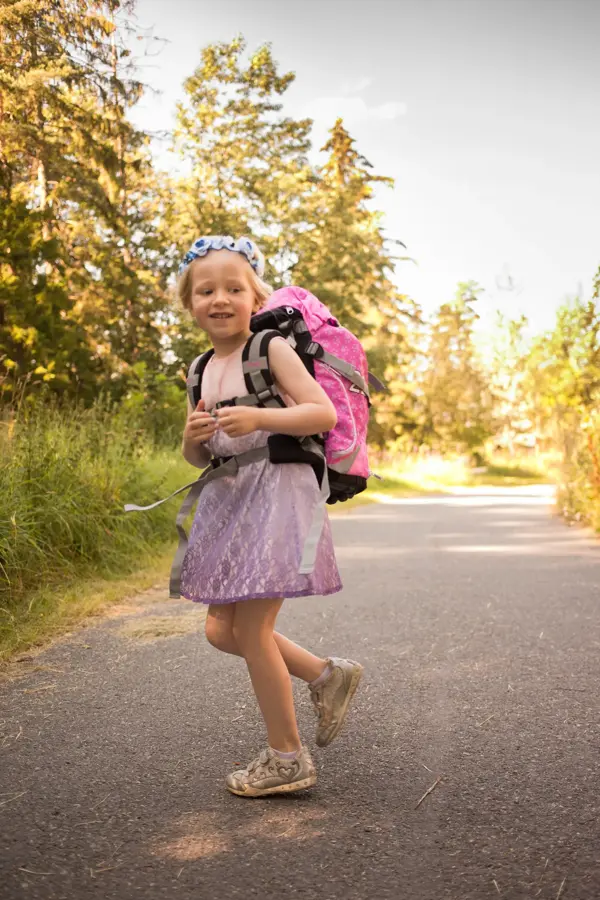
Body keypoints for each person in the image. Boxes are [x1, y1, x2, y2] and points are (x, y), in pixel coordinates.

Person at [176, 235, 363, 798]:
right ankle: (327, 675)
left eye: (234, 288)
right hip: (229, 501)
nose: (220, 298)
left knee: (253, 630)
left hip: (277, 493)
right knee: (220, 630)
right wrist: (192, 437)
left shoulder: (270, 348)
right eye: (206, 290)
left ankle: (287, 757)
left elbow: (321, 413)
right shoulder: (199, 368)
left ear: (254, 297)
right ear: (189, 303)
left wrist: (260, 416)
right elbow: (199, 457)